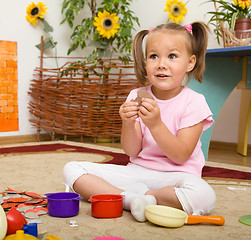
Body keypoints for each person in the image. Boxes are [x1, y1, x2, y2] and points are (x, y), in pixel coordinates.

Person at [63, 21, 216, 222]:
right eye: (153, 56)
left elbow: (180, 155)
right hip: (136, 173)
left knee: (204, 195)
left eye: (172, 56)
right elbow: (131, 151)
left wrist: (155, 124)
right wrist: (127, 123)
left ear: (190, 62)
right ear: (145, 62)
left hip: (176, 176)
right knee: (72, 169)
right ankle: (130, 199)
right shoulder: (138, 95)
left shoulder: (195, 102)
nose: (161, 64)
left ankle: (134, 197)